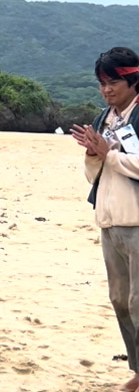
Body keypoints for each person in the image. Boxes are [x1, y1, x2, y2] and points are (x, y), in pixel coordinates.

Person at [71, 47, 139, 392]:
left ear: (132, 80)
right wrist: (92, 154)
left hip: (137, 221)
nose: (107, 90)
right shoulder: (104, 118)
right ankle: (138, 370)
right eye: (102, 84)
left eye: (113, 82)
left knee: (138, 302)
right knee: (120, 300)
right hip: (110, 220)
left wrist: (108, 155)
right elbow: (92, 175)